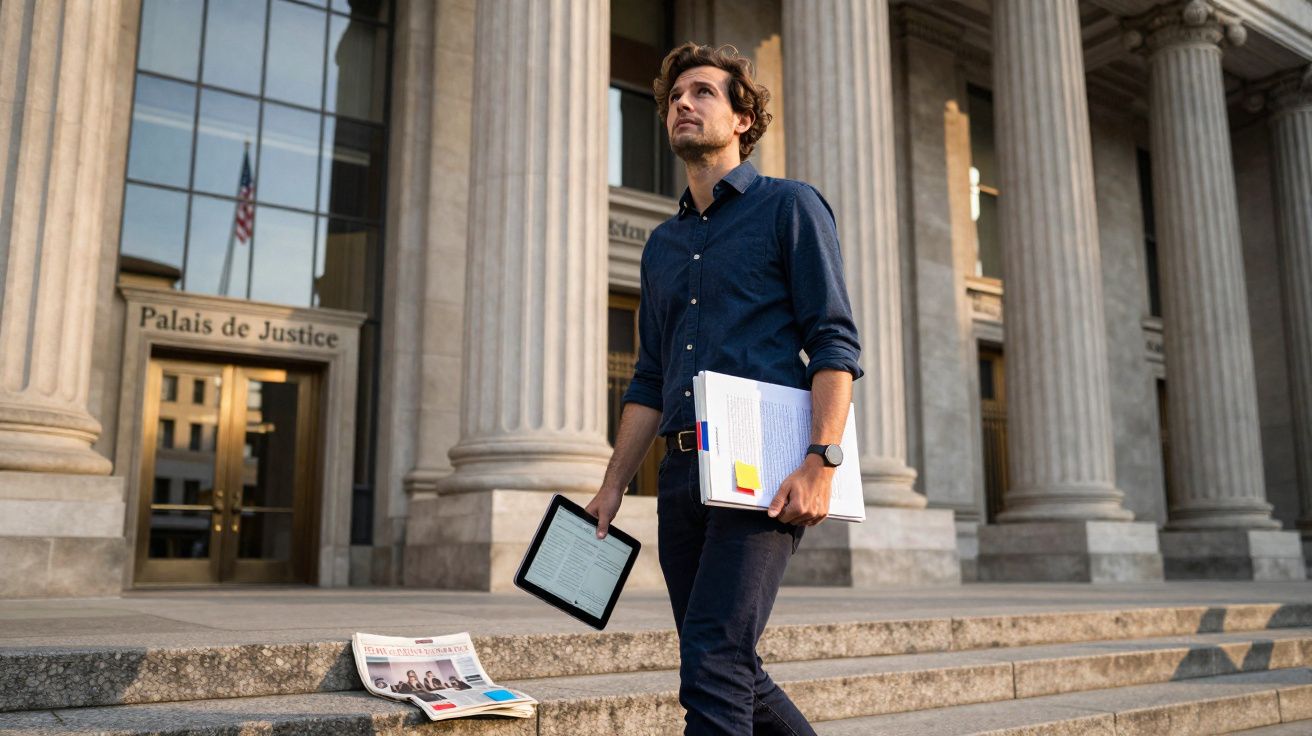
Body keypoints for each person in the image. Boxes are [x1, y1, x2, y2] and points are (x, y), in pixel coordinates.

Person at [585, 42, 860, 736]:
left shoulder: (789, 208)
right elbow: (649, 377)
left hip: (763, 471)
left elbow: (834, 341)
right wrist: (614, 484)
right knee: (728, 660)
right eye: (675, 95)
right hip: (680, 477)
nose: (682, 102)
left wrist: (820, 461)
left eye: (703, 92)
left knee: (713, 664)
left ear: (743, 119)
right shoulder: (662, 247)